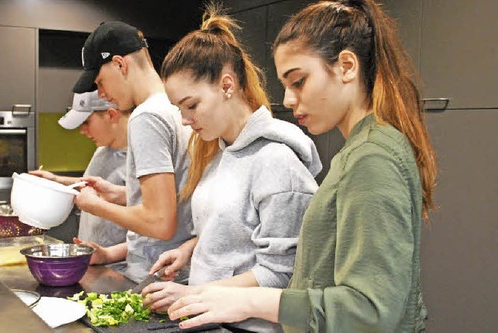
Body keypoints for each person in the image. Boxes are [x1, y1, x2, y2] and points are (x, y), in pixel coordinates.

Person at [166, 1, 437, 332]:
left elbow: (371, 311)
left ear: (347, 66)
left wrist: (247, 301)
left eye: (298, 81)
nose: (289, 99)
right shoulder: (361, 150)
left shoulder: (372, 158)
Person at [139, 4, 321, 332]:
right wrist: (190, 250)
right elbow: (238, 232)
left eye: (191, 105)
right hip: (211, 320)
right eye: (179, 108)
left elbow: (282, 273)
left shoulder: (278, 164)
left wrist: (194, 292)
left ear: (227, 86)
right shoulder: (219, 154)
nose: (184, 119)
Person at [70, 21, 194, 283]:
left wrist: (95, 205)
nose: (102, 94)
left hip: (153, 277)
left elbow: (160, 221)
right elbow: (178, 203)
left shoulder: (146, 117)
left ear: (119, 64)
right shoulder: (177, 109)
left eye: (100, 82)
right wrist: (120, 195)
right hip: (176, 276)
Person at [30, 90, 128, 249]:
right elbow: (96, 185)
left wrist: (109, 254)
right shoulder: (103, 148)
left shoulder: (139, 158)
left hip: (118, 263)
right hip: (92, 257)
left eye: (87, 122)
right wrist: (55, 180)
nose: (82, 131)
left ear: (111, 115)